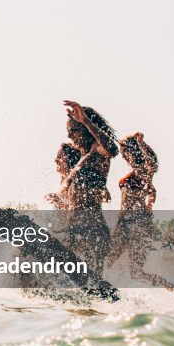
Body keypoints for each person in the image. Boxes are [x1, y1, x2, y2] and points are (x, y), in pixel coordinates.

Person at [106, 133, 174, 298]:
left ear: (133, 151)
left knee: (135, 272)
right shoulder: (136, 174)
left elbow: (153, 163)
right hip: (124, 223)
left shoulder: (144, 171)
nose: (123, 157)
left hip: (139, 224)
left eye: (124, 153)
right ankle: (104, 292)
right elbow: (152, 191)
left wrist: (141, 144)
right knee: (107, 260)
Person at [60, 100, 118, 276]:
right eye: (68, 132)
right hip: (77, 231)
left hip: (92, 233)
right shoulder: (83, 157)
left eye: (73, 131)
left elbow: (112, 149)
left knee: (88, 286)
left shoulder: (97, 150)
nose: (70, 136)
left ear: (85, 130)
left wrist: (85, 120)